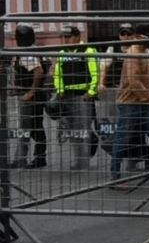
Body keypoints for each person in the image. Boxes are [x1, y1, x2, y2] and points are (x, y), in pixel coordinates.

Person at [110, 24, 149, 181]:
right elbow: (134, 82)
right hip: (129, 103)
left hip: (144, 104)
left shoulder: (146, 51)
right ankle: (115, 177)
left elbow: (146, 78)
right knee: (122, 140)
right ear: (138, 36)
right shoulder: (133, 54)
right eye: (147, 36)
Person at [53, 25, 98, 170]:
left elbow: (95, 73)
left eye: (69, 36)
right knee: (72, 130)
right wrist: (60, 91)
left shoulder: (88, 51)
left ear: (78, 36)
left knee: (84, 129)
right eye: (64, 37)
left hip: (83, 96)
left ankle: (84, 161)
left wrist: (91, 92)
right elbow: (58, 75)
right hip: (67, 96)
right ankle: (78, 159)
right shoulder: (62, 53)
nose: (66, 39)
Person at [10, 24, 47, 169]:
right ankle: (39, 158)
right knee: (36, 127)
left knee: (25, 128)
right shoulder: (32, 50)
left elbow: (39, 72)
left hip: (31, 96)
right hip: (33, 94)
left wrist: (30, 92)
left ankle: (21, 158)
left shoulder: (27, 53)